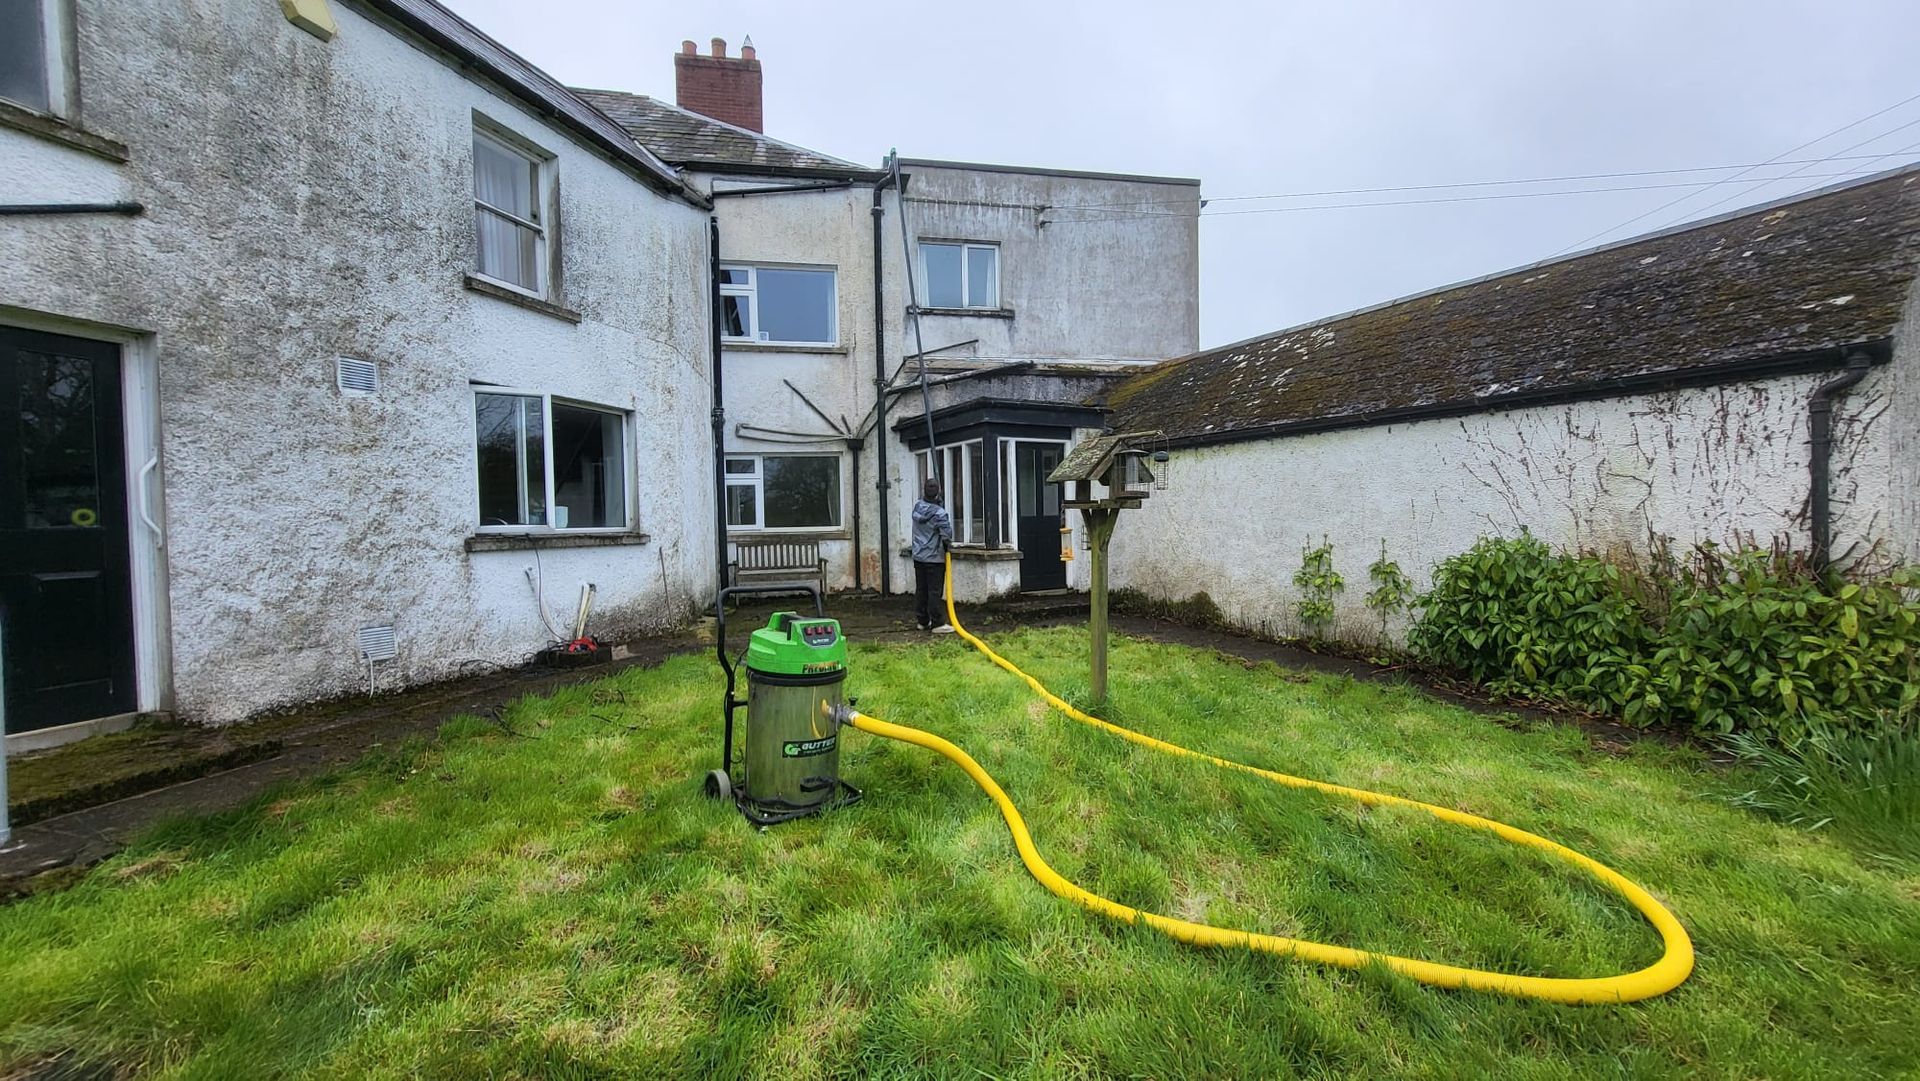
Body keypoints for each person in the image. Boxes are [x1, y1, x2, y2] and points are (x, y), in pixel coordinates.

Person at [911, 478, 955, 633]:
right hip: (934, 558)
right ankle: (937, 623)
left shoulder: (917, 507)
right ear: (939, 491)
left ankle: (922, 621)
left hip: (918, 556)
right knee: (934, 591)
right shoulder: (940, 513)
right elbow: (947, 536)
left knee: (921, 589)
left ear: (924, 490)